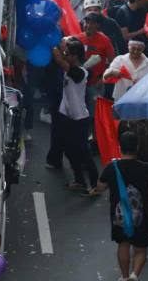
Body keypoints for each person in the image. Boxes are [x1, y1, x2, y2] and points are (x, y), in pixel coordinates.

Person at [91, 131, 148, 281]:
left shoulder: (112, 167)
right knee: (140, 249)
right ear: (137, 147)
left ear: (119, 146)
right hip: (142, 215)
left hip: (120, 216)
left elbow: (100, 187)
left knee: (123, 244)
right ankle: (134, 275)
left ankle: (124, 276)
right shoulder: (147, 168)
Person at [48, 38, 100, 193]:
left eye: (68, 53)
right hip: (67, 116)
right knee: (69, 150)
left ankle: (95, 184)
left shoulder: (80, 73)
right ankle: (79, 180)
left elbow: (58, 60)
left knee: (83, 152)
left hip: (79, 119)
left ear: (75, 55)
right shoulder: (72, 69)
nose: (65, 56)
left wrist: (53, 44)